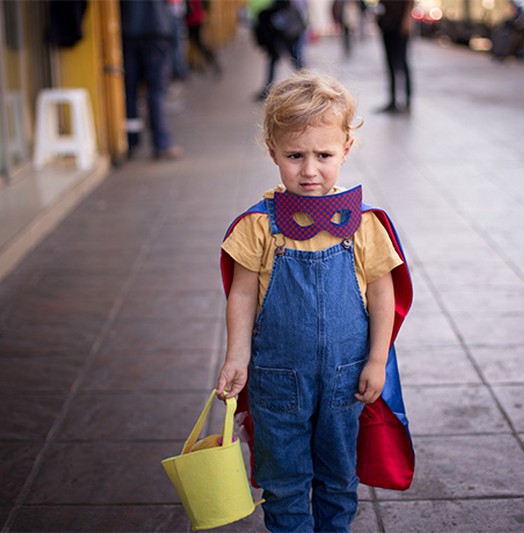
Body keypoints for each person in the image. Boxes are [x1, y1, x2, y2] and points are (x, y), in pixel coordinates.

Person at [216, 70, 414, 532]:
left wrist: (377, 360)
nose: (309, 170)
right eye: (294, 155)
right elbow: (242, 294)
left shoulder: (365, 226)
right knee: (283, 483)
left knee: (339, 478)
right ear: (272, 151)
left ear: (346, 148)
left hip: (347, 379)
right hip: (277, 381)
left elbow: (384, 294)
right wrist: (236, 356)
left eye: (323, 155)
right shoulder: (258, 227)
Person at [120, 0, 182, 160]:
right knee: (156, 92)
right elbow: (175, 5)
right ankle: (162, 142)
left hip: (129, 30)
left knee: (130, 91)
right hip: (157, 29)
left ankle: (130, 141)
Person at [250, 0, 307, 101]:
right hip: (282, 37)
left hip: (282, 36)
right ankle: (308, 82)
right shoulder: (278, 9)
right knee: (293, 59)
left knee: (292, 59)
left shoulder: (275, 10)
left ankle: (308, 82)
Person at [376, 0, 413, 113]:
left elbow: (410, 2)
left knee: (401, 63)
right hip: (387, 25)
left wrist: (407, 20)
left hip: (400, 26)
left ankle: (407, 100)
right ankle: (392, 101)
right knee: (389, 64)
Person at [185, 0, 222, 77]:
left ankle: (210, 59)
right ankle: (199, 63)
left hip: (194, 19)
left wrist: (204, 11)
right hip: (192, 18)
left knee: (198, 43)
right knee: (195, 43)